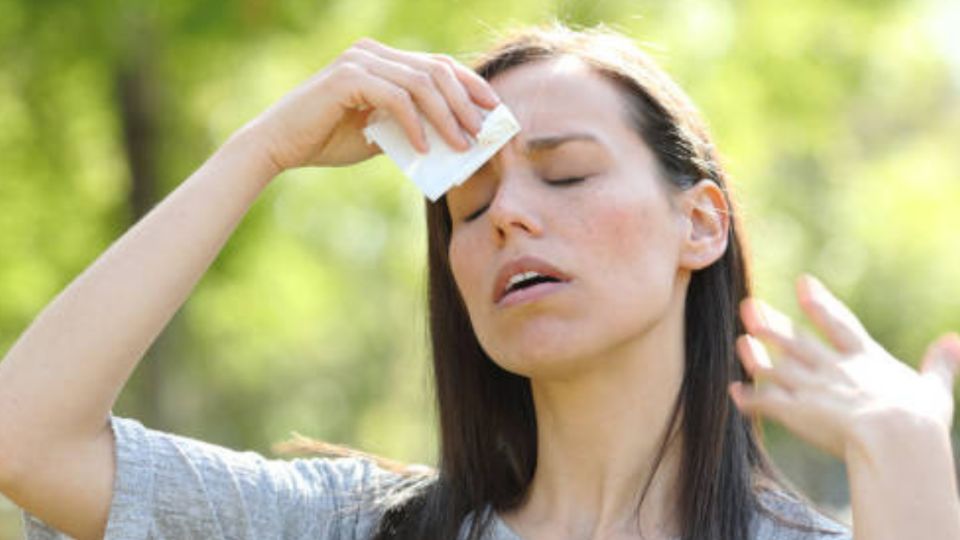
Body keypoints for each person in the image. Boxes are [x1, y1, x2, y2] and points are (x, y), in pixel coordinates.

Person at [1, 24, 958, 540]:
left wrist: (909, 454)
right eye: (466, 206)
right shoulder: (351, 528)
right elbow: (25, 436)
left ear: (699, 223)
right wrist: (265, 149)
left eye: (568, 173)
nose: (506, 215)